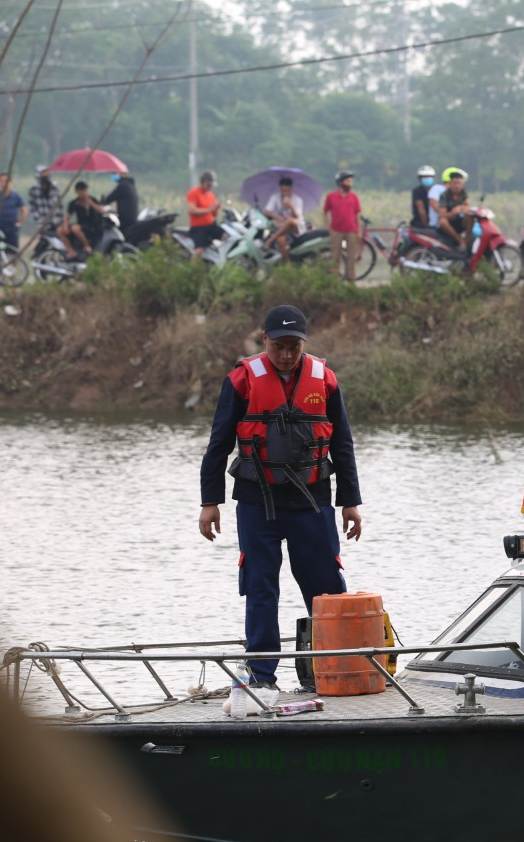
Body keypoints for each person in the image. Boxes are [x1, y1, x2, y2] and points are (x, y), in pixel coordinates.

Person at [198, 304, 363, 697]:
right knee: (260, 588)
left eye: (294, 346)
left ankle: (335, 670)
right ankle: (261, 675)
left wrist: (351, 503)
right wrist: (210, 502)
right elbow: (218, 443)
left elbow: (342, 444)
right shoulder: (241, 380)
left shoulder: (325, 379)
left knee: (325, 590)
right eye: (279, 346)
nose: (287, 354)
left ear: (304, 343)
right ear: (264, 340)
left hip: (312, 501)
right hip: (258, 502)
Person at [323, 170, 362, 282]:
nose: (350, 183)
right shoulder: (331, 196)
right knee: (335, 257)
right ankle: (334, 281)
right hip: (336, 230)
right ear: (340, 182)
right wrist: (328, 227)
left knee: (351, 258)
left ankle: (351, 281)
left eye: (351, 181)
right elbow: (325, 212)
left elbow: (357, 214)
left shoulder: (353, 197)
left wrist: (358, 231)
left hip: (351, 231)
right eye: (347, 180)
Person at [58, 181, 105, 258]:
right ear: (77, 192)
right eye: (81, 190)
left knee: (75, 228)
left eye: (84, 190)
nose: (83, 192)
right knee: (60, 230)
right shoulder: (74, 203)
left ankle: (86, 246)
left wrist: (91, 203)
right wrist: (65, 226)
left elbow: (101, 210)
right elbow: (68, 216)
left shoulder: (93, 199)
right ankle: (71, 251)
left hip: (91, 226)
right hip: (80, 224)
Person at [263, 177, 305, 262]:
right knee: (280, 240)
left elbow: (297, 216)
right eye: (283, 190)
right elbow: (267, 211)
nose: (285, 193)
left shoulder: (297, 199)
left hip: (296, 227)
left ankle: (271, 240)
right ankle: (287, 263)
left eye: (287, 190)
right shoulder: (275, 197)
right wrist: (277, 217)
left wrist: (291, 207)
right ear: (280, 189)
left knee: (290, 220)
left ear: (291, 189)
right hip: (283, 228)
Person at [186, 170, 224, 259]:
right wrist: (208, 210)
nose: (209, 187)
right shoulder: (194, 193)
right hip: (199, 227)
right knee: (199, 249)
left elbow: (213, 214)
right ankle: (192, 268)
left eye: (211, 185)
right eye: (208, 185)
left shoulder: (211, 195)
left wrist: (215, 209)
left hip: (211, 225)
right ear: (202, 183)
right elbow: (191, 210)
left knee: (226, 236)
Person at [435, 170, 470, 251]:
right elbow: (442, 214)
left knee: (470, 217)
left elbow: (467, 206)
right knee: (442, 221)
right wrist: (453, 212)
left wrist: (463, 208)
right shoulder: (444, 195)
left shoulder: (463, 193)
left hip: (461, 221)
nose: (457, 186)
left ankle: (467, 240)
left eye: (459, 183)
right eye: (455, 183)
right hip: (449, 222)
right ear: (450, 183)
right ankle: (460, 240)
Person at [0, 173, 26, 248]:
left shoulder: (15, 196)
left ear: (10, 182)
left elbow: (24, 211)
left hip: (12, 228)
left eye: (5, 181)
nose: (3, 183)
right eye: (1, 181)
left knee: (13, 250)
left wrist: (19, 222)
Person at [28, 166, 62, 234]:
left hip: (56, 221)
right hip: (42, 223)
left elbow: (59, 206)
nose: (45, 174)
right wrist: (40, 220)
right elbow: (32, 208)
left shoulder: (54, 188)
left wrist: (60, 220)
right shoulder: (34, 189)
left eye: (47, 172)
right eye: (43, 173)